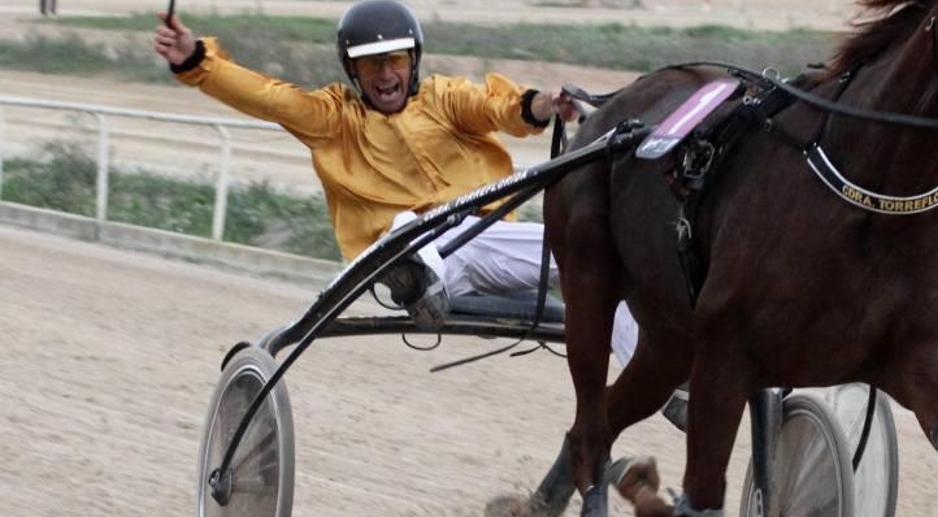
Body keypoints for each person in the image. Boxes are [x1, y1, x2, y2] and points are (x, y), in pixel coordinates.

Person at [151, 0, 639, 362]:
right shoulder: (332, 118)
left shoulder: (445, 98)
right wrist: (195, 59)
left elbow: (499, 107)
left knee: (595, 257)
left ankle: (663, 381)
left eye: (396, 60)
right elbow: (266, 97)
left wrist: (542, 104)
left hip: (481, 241)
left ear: (413, 61)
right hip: (411, 249)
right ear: (353, 70)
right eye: (371, 63)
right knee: (407, 225)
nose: (386, 73)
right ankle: (415, 275)